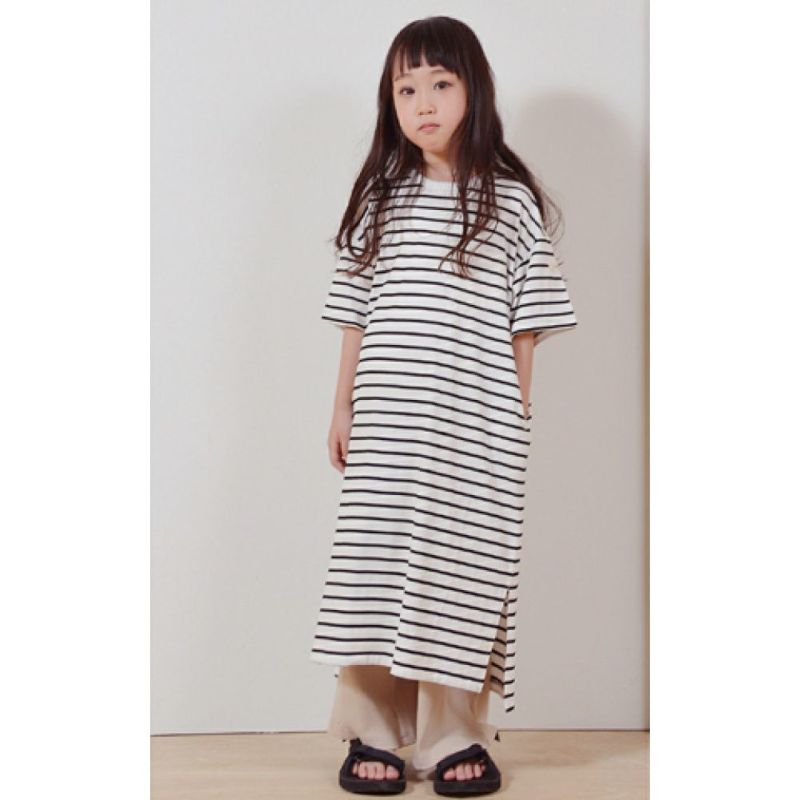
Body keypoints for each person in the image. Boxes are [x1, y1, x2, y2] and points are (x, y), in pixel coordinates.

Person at [309, 15, 578, 796]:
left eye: (440, 83)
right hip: (387, 423)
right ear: (389, 101)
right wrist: (341, 408)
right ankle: (374, 729)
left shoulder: (511, 203)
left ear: (473, 91)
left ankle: (453, 734)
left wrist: (517, 416)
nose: (423, 102)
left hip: (475, 425)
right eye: (406, 89)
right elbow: (355, 313)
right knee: (375, 567)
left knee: (460, 569)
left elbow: (526, 323)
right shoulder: (381, 199)